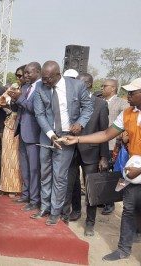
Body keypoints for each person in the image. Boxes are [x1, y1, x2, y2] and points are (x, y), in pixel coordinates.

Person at [64, 77, 141, 261]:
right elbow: (106, 134)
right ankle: (123, 249)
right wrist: (78, 139)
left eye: (132, 93)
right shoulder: (128, 113)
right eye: (127, 92)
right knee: (129, 209)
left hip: (138, 170)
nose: (127, 96)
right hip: (133, 171)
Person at [31, 61, 93, 225]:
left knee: (60, 176)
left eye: (47, 79)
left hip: (67, 137)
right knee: (45, 173)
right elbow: (39, 114)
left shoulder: (77, 86)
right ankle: (44, 207)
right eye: (43, 78)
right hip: (47, 135)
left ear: (57, 74)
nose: (45, 82)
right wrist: (50, 134)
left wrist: (80, 123)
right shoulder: (40, 87)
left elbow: (88, 107)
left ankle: (55, 211)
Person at [61, 73, 109, 233]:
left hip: (91, 153)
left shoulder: (101, 104)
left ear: (87, 84)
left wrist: (103, 156)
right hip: (70, 150)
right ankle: (64, 217)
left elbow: (104, 132)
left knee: (90, 189)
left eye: (78, 83)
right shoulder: (71, 100)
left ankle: (90, 223)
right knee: (67, 186)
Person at [8, 62, 42, 211]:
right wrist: (13, 99)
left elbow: (35, 109)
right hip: (21, 130)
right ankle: (26, 194)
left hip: (34, 134)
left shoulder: (42, 88)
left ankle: (35, 200)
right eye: (25, 73)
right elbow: (19, 107)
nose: (26, 75)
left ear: (38, 73)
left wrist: (20, 98)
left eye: (29, 73)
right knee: (25, 167)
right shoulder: (26, 87)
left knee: (34, 169)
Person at [100, 78, 129, 215]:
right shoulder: (99, 102)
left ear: (113, 88)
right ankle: (102, 199)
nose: (101, 88)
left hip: (114, 145)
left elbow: (127, 125)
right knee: (101, 173)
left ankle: (110, 203)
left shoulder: (122, 103)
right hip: (99, 143)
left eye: (104, 86)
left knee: (114, 175)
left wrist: (122, 136)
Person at [0, 65, 26, 196]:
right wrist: (6, 103)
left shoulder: (29, 90)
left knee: (17, 157)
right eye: (17, 76)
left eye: (20, 76)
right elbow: (1, 103)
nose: (18, 78)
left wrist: (17, 98)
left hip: (23, 125)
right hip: (10, 124)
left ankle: (16, 187)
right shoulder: (15, 88)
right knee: (6, 156)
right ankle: (5, 185)